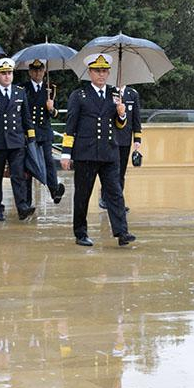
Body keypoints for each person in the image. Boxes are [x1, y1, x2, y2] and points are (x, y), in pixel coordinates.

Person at [59, 53, 135, 247]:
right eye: (97, 71)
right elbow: (70, 126)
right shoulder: (79, 95)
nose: (101, 75)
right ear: (90, 72)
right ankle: (81, 233)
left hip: (110, 153)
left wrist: (122, 114)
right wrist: (66, 153)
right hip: (86, 153)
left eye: (104, 71)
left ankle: (122, 232)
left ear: (109, 72)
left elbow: (119, 126)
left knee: (115, 193)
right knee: (83, 195)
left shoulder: (114, 95)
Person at [0, 57, 36, 222]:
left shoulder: (20, 92)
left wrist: (31, 139)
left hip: (17, 141)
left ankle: (22, 207)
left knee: (18, 175)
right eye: (3, 73)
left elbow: (26, 118)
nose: (7, 76)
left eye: (9, 73)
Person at [22, 59, 66, 207]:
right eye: (34, 70)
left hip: (44, 131)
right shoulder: (23, 88)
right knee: (28, 165)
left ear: (44, 71)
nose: (37, 73)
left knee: (48, 161)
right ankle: (26, 201)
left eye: (40, 70)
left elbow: (56, 114)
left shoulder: (50, 89)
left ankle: (54, 191)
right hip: (28, 132)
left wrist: (51, 109)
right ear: (29, 72)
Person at [99, 83, 141, 212]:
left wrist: (137, 138)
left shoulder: (132, 94)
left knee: (121, 172)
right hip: (111, 138)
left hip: (125, 139)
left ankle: (117, 201)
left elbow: (136, 117)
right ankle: (105, 198)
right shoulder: (108, 92)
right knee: (109, 170)